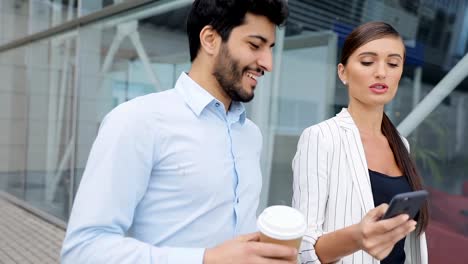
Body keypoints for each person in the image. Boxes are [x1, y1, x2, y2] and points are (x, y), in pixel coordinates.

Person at [60, 1, 297, 263]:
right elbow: (82, 250)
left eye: (270, 48)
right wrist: (206, 259)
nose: (268, 63)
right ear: (210, 39)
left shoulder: (251, 135)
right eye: (255, 45)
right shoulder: (137, 121)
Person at [292, 21, 429, 264]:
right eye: (367, 62)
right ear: (343, 72)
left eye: (393, 63)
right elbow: (303, 248)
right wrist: (358, 236)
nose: (381, 72)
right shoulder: (321, 138)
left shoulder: (401, 145)